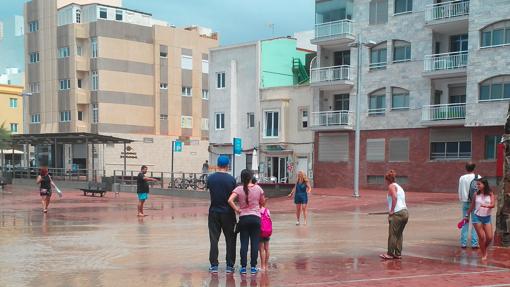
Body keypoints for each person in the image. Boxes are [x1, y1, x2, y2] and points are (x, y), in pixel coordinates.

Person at [228, 169, 265, 275]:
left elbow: (230, 200)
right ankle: (253, 267)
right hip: (256, 218)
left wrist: (237, 209)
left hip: (244, 218)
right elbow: (262, 202)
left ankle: (243, 267)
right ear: (251, 177)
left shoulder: (239, 189)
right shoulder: (258, 188)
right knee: (254, 243)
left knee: (244, 243)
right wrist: (257, 207)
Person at [207, 155, 237, 274]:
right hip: (228, 213)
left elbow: (210, 189)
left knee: (214, 239)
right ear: (227, 165)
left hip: (214, 211)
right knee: (230, 239)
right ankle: (230, 266)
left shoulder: (210, 178)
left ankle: (214, 265)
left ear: (217, 164)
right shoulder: (231, 179)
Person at [380, 170, 409, 260]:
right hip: (405, 212)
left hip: (397, 213)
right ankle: (398, 253)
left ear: (387, 180)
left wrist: (392, 210)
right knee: (399, 234)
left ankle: (389, 254)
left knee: (393, 234)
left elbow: (395, 197)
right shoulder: (399, 187)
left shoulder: (391, 186)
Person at [466, 178, 495, 260]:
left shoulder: (490, 194)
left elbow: (493, 205)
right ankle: (484, 254)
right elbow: (472, 206)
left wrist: (487, 206)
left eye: (479, 184)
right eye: (477, 184)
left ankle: (483, 247)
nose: (477, 186)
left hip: (487, 217)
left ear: (484, 185)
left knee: (489, 237)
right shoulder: (476, 194)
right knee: (482, 237)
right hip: (476, 217)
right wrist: (466, 215)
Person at [458, 162, 480, 249]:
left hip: (465, 202)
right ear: (474, 168)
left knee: (465, 222)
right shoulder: (478, 177)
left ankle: (463, 243)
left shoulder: (462, 178)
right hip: (475, 203)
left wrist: (462, 199)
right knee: (475, 223)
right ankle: (474, 244)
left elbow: (459, 190)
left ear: (466, 168)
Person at [259, 199, 271, 271]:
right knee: (267, 249)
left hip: (260, 231)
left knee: (261, 249)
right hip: (267, 231)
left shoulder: (257, 211)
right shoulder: (267, 210)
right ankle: (266, 265)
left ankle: (262, 266)